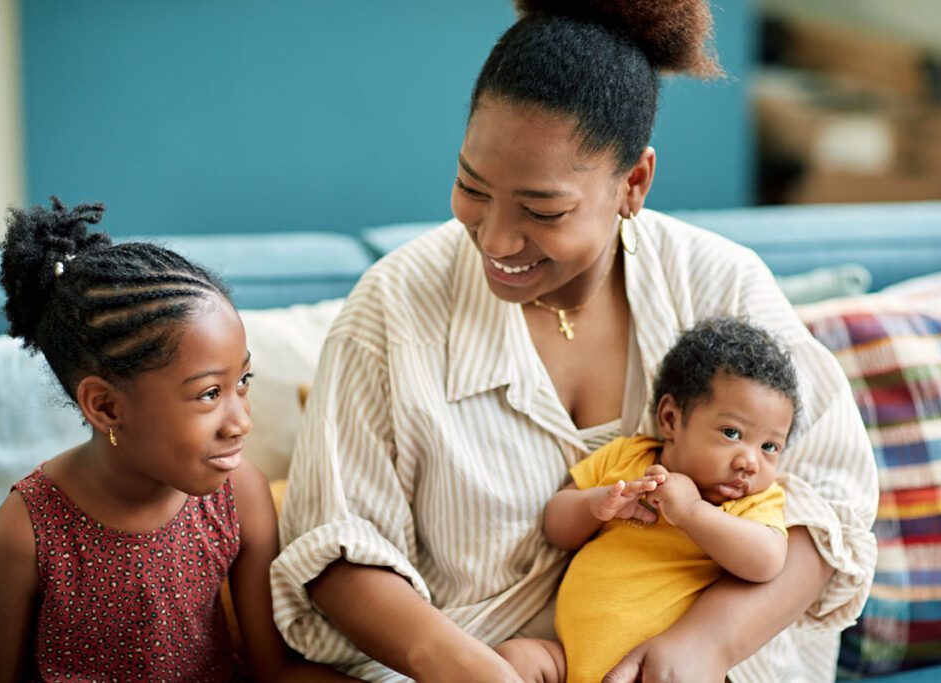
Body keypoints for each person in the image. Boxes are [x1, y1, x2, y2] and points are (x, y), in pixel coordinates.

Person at [272, 1, 878, 681]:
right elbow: (336, 542)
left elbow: (832, 500)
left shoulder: (720, 282)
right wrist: (476, 671)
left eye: (543, 209)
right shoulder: (392, 307)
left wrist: (704, 644)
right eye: (472, 187)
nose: (497, 239)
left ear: (634, 183)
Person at [0, 199, 355, 682]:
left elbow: (273, 669)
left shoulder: (240, 495)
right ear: (106, 407)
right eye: (209, 394)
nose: (239, 420)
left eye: (243, 380)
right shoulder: (26, 531)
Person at [494, 318, 800, 682]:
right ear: (670, 419)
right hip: (567, 663)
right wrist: (595, 505)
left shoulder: (751, 502)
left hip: (660, 670)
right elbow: (555, 525)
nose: (749, 462)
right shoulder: (628, 458)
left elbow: (767, 561)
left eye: (769, 447)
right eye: (731, 433)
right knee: (515, 659)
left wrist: (691, 512)